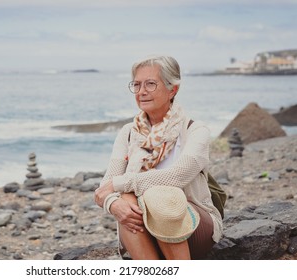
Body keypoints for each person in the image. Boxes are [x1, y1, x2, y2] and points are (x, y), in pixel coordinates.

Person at [94, 55, 223, 260]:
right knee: (126, 198)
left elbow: (176, 177)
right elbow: (105, 187)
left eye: (150, 84)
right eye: (136, 85)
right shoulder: (128, 133)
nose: (141, 91)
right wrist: (113, 204)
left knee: (158, 195)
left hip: (193, 226)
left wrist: (119, 185)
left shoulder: (195, 131)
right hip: (145, 230)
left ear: (173, 89)